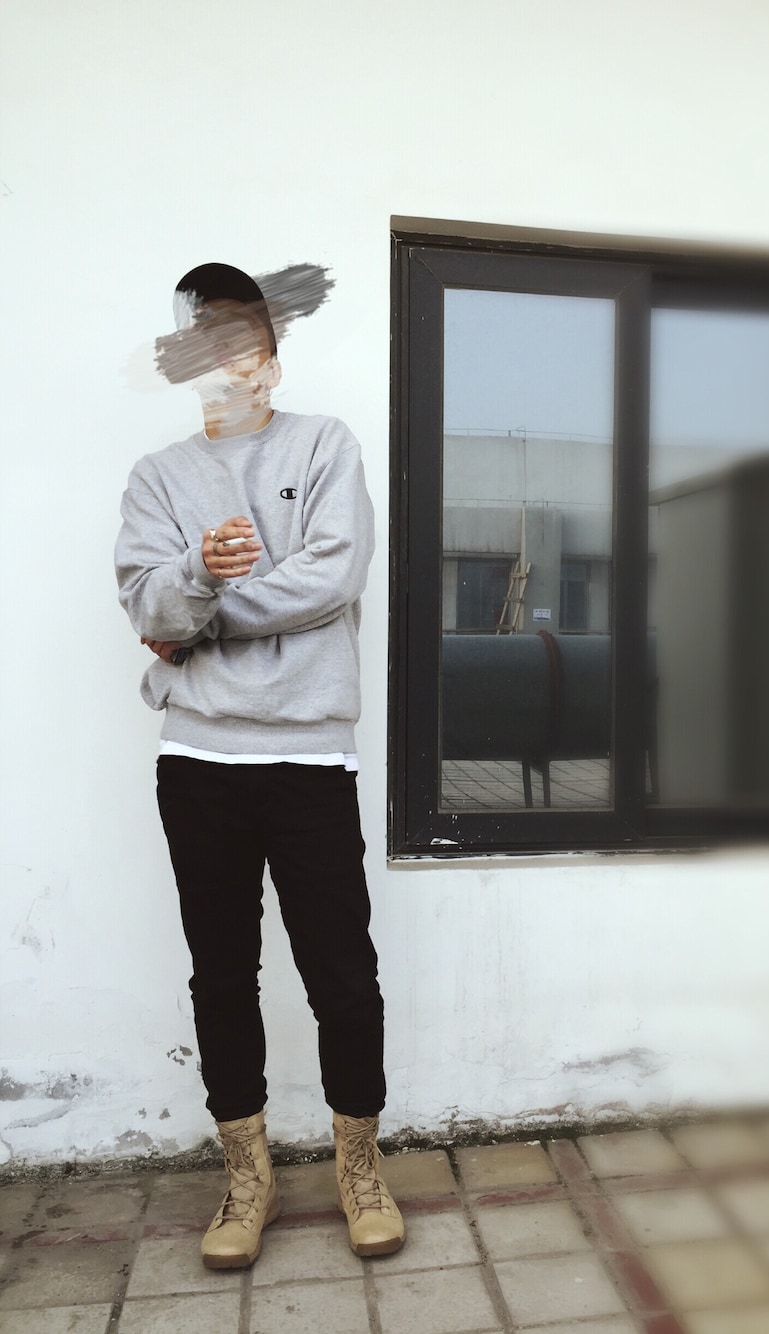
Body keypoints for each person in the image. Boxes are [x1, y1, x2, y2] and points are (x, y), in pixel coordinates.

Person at [115, 263, 403, 1269]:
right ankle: (249, 1179)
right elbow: (146, 599)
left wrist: (197, 621)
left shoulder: (324, 445)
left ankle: (360, 1167)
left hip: (309, 752)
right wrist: (194, 572)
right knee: (222, 976)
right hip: (200, 758)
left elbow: (333, 576)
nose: (226, 364)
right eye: (205, 346)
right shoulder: (157, 476)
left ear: (273, 361)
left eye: (242, 344)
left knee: (343, 974)